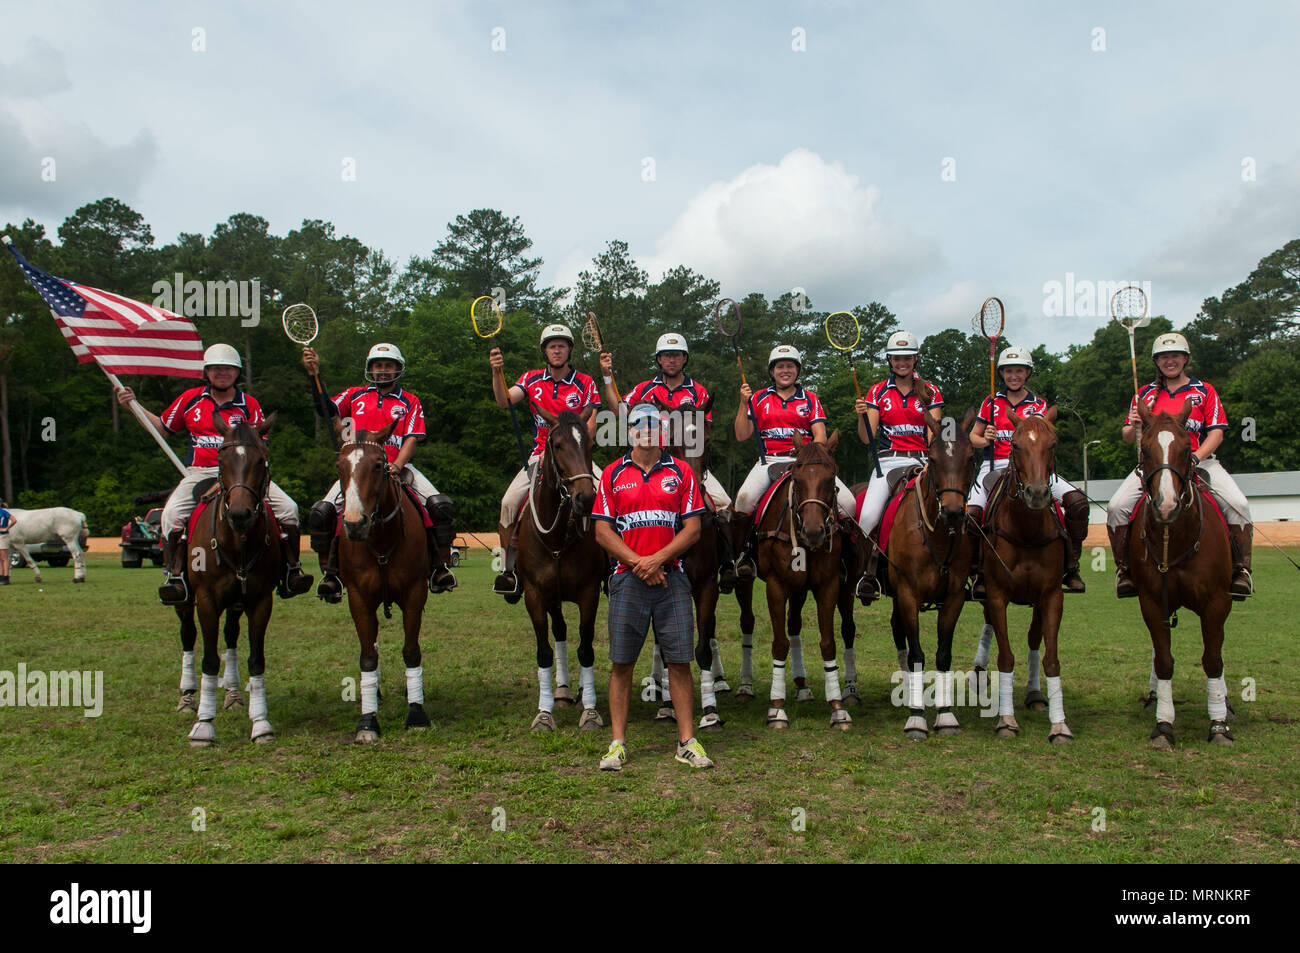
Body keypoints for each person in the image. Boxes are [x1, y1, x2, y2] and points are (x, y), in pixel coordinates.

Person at [115, 344, 312, 605]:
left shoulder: (249, 404)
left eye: (228, 368)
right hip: (200, 472)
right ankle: (174, 576)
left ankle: (291, 570)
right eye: (216, 369)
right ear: (206, 372)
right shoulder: (190, 400)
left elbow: (261, 444)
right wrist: (133, 406)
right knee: (172, 515)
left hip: (242, 473)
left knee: (289, 509)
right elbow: (162, 428)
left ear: (237, 372)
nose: (222, 373)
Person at [593, 403, 713, 771]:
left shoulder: (681, 472)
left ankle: (686, 741)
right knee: (621, 664)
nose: (645, 430)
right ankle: (617, 743)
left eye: (652, 424)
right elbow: (601, 530)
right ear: (629, 431)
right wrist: (638, 562)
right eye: (638, 425)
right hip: (627, 580)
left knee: (679, 662)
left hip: (672, 578)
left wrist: (656, 560)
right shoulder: (613, 474)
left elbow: (692, 529)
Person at [302, 342, 457, 601]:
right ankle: (331, 573)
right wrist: (313, 374)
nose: (382, 370)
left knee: (438, 505)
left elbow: (412, 438)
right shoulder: (354, 395)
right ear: (370, 370)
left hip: (399, 466)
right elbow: (326, 409)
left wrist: (397, 466)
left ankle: (438, 568)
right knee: (323, 511)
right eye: (377, 366)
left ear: (398, 368)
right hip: (359, 472)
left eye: (388, 365)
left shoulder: (410, 400)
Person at [1106, 332, 1253, 599]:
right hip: (1153, 466)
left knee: (1238, 504)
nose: (1169, 361)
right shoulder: (1145, 393)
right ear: (1156, 361)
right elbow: (1128, 436)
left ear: (1185, 359)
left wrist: (1196, 457)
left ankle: (1241, 570)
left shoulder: (1204, 391)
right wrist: (1136, 423)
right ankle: (1125, 571)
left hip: (1200, 461)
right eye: (1164, 357)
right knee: (1116, 507)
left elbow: (1217, 432)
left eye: (1175, 356)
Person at [601, 332, 738, 586]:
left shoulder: (698, 391)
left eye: (676, 355)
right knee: (621, 511)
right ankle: (612, 568)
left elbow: (704, 433)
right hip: (651, 465)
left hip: (689, 466)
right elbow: (618, 411)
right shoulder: (645, 389)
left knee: (724, 505)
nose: (671, 360)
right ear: (659, 360)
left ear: (684, 359)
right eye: (666, 355)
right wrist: (608, 376)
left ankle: (729, 562)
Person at [966, 347, 1090, 598]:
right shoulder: (991, 403)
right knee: (971, 516)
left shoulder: (1038, 405)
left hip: (1034, 469)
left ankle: (1071, 565)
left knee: (1078, 503)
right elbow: (972, 437)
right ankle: (978, 569)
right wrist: (985, 438)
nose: (1014, 375)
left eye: (1019, 371)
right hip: (996, 465)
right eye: (1009, 371)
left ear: (1027, 373)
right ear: (1001, 373)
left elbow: (1045, 440)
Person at [490, 324, 601, 597]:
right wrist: (496, 372)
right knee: (508, 503)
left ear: (570, 350)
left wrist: (579, 452)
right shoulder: (530, 379)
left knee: (609, 498)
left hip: (577, 457)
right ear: (545, 351)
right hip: (540, 455)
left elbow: (592, 424)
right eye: (552, 346)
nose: (557, 350)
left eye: (562, 345)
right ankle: (509, 571)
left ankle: (611, 568)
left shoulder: (585, 382)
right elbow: (504, 401)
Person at [729, 345, 857, 579]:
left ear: (797, 370)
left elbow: (820, 434)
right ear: (772, 371)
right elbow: (741, 435)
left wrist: (809, 457)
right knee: (743, 500)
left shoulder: (809, 398)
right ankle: (744, 554)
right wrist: (742, 403)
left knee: (848, 504)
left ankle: (844, 560)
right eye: (780, 366)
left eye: (790, 366)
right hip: (770, 461)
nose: (785, 370)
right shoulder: (758, 398)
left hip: (807, 463)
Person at [852, 331, 944, 602]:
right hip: (888, 461)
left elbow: (934, 432)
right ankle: (868, 574)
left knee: (952, 511)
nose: (902, 362)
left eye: (907, 357)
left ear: (915, 359)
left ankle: (951, 572)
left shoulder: (931, 390)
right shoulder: (878, 391)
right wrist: (861, 418)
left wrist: (930, 461)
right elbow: (867, 437)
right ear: (889, 360)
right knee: (867, 517)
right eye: (897, 358)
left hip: (921, 461)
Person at [0, 500, 14, 586]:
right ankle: (1, 576)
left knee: (4, 558)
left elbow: (14, 520)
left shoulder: (4, 511)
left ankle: (6, 577)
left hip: (3, 536)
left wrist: (6, 528)